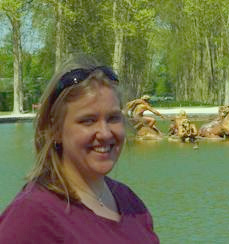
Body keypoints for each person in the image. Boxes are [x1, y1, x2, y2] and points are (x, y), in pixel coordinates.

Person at [0, 56, 159, 243]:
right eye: (88, 120)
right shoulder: (32, 216)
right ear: (55, 130)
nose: (105, 133)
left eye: (113, 118)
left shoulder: (130, 202)